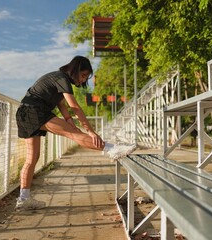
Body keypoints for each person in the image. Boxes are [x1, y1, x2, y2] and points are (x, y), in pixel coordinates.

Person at [15, 56, 136, 210]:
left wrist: (69, 120)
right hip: (34, 111)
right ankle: (111, 149)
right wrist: (91, 131)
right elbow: (75, 106)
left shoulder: (57, 78)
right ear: (75, 70)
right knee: (73, 135)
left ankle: (23, 199)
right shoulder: (62, 78)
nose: (84, 80)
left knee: (32, 158)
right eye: (83, 75)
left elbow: (61, 104)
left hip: (24, 113)